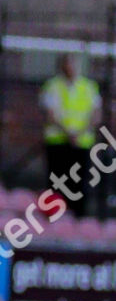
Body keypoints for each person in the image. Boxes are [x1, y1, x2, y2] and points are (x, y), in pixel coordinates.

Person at [41, 54, 101, 218]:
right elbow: (50, 115)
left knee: (79, 184)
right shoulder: (52, 86)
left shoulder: (89, 87)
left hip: (81, 144)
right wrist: (68, 133)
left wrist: (78, 133)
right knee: (56, 183)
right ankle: (53, 216)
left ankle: (77, 218)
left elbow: (95, 115)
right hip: (58, 142)